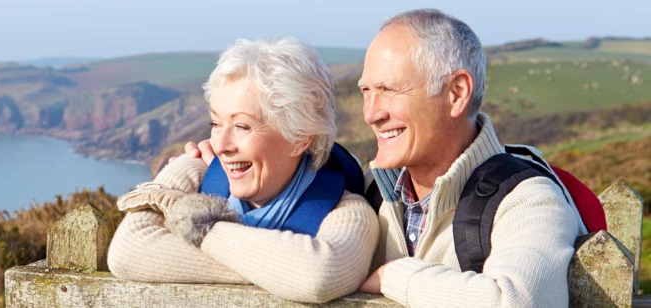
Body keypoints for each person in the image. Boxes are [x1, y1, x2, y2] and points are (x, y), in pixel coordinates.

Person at [107, 37, 379, 304]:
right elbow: (128, 252)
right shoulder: (199, 173)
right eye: (216, 123)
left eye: (242, 126)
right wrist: (182, 167)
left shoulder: (347, 213)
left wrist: (199, 225)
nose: (221, 145)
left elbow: (318, 276)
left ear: (300, 138)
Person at [354, 9, 584, 307]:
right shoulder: (370, 190)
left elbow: (517, 302)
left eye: (388, 90)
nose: (371, 114)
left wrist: (394, 276)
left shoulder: (527, 199)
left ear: (456, 93)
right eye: (366, 91)